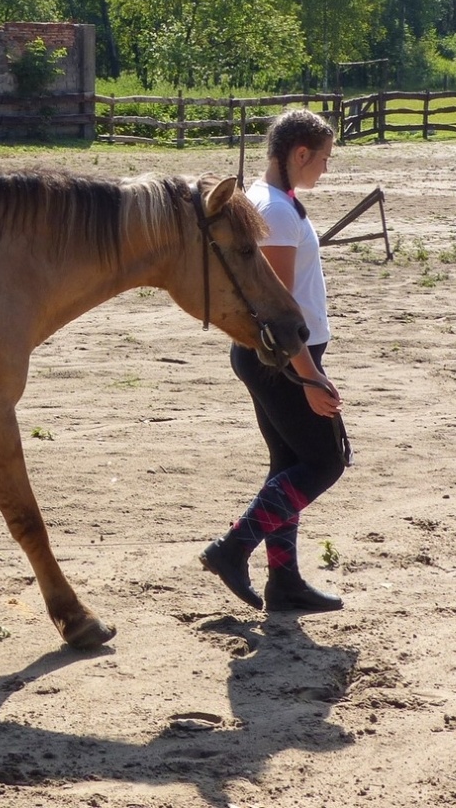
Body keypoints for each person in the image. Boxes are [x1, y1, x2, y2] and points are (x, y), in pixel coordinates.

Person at [200, 108, 349, 612]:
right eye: (323, 159)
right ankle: (233, 548)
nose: (325, 170)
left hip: (276, 356)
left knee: (288, 465)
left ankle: (284, 582)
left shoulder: (270, 201)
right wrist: (309, 377)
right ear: (299, 153)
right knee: (325, 462)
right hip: (284, 357)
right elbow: (278, 307)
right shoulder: (279, 213)